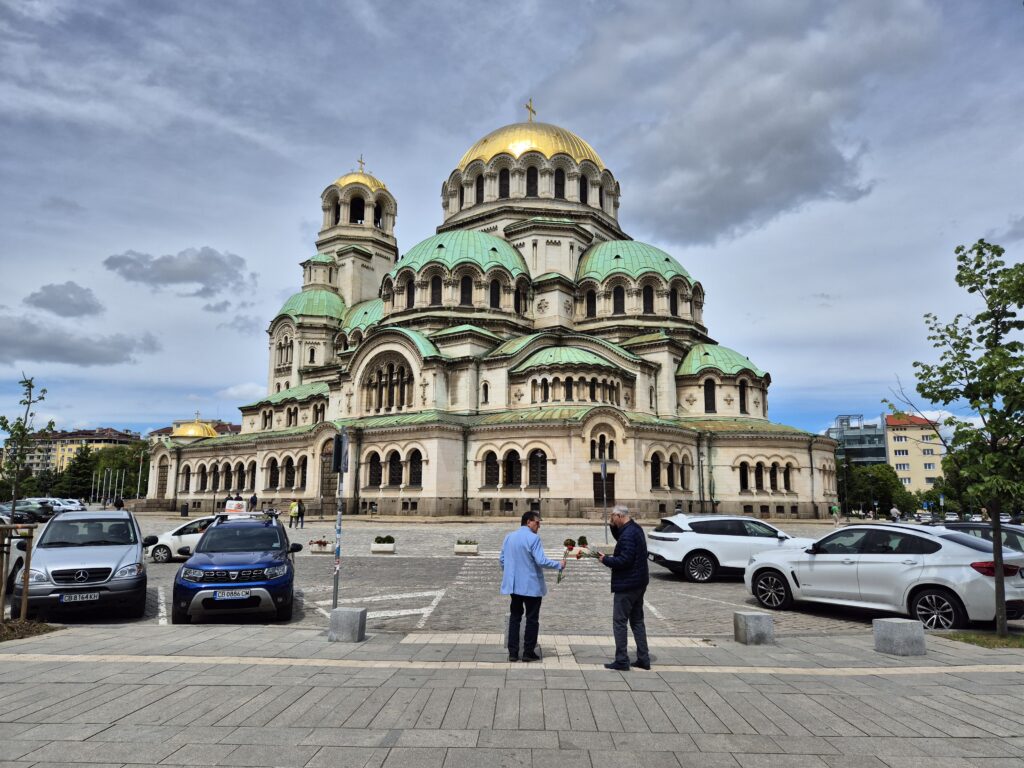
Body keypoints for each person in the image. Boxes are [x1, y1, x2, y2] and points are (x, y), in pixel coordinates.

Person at [499, 511, 563, 662]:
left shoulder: (509, 537)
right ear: (528, 522)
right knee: (532, 619)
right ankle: (528, 652)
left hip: (514, 586)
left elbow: (502, 560)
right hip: (531, 586)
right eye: (537, 523)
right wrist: (558, 564)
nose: (539, 526)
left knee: (515, 618)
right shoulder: (533, 538)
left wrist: (510, 574)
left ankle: (513, 653)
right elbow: (541, 560)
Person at [593, 505, 651, 671]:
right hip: (639, 582)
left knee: (619, 622)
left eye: (613, 517)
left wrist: (605, 560)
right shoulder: (635, 528)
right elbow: (620, 537)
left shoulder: (627, 535)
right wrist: (613, 525)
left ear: (619, 515)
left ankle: (622, 660)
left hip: (627, 584)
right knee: (637, 621)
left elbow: (624, 560)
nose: (611, 519)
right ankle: (643, 658)